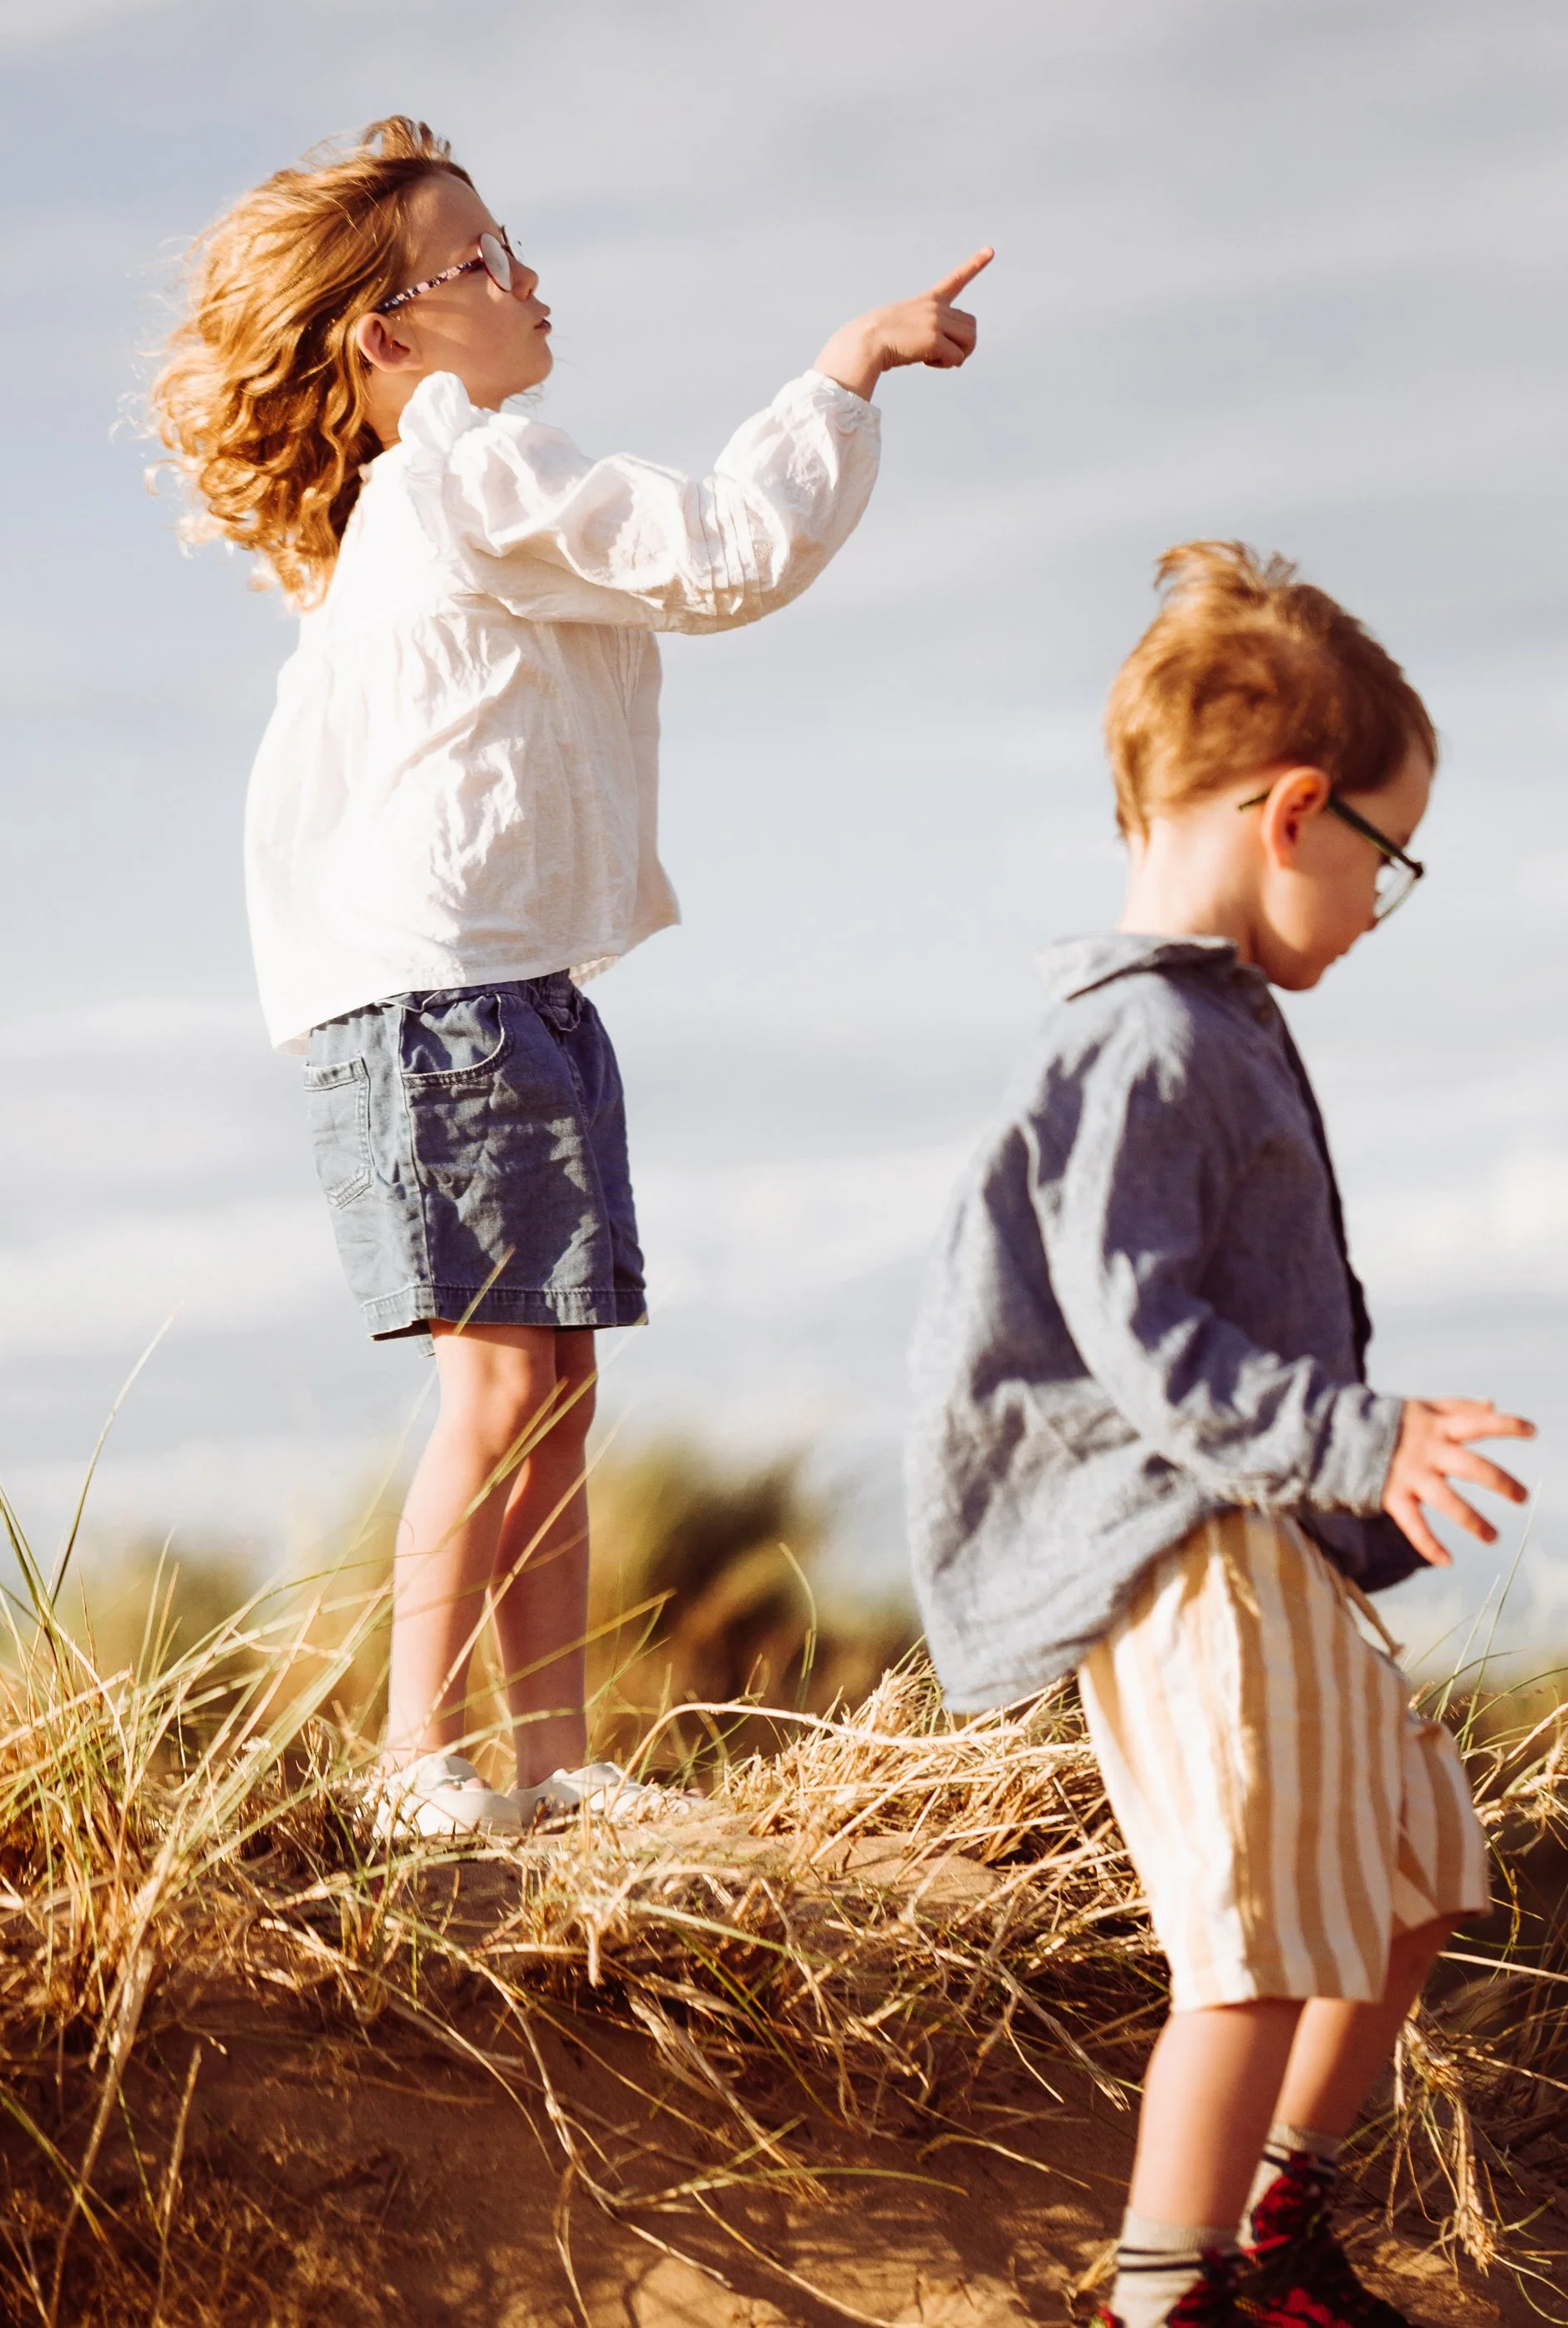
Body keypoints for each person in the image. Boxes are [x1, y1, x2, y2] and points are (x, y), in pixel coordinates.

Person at [155, 114, 989, 1840]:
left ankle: (546, 1764)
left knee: (555, 1378)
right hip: (439, 998)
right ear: (387, 337)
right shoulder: (462, 467)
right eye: (477, 262)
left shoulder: (440, 496)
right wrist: (839, 377)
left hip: (498, 986)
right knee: (503, 1383)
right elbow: (722, 556)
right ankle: (415, 1761)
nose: (525, 279)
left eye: (506, 241)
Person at [906, 542, 1535, 2328]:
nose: (1375, 901)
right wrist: (1354, 1440)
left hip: (1260, 1542)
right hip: (1171, 1550)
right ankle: (1158, 2296)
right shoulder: (1142, 1045)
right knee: (1246, 1951)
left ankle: (1272, 2226)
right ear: (1293, 812)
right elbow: (1141, 1337)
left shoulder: (1216, 1028)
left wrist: (1353, 1497)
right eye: (1384, 863)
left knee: (1411, 1875)